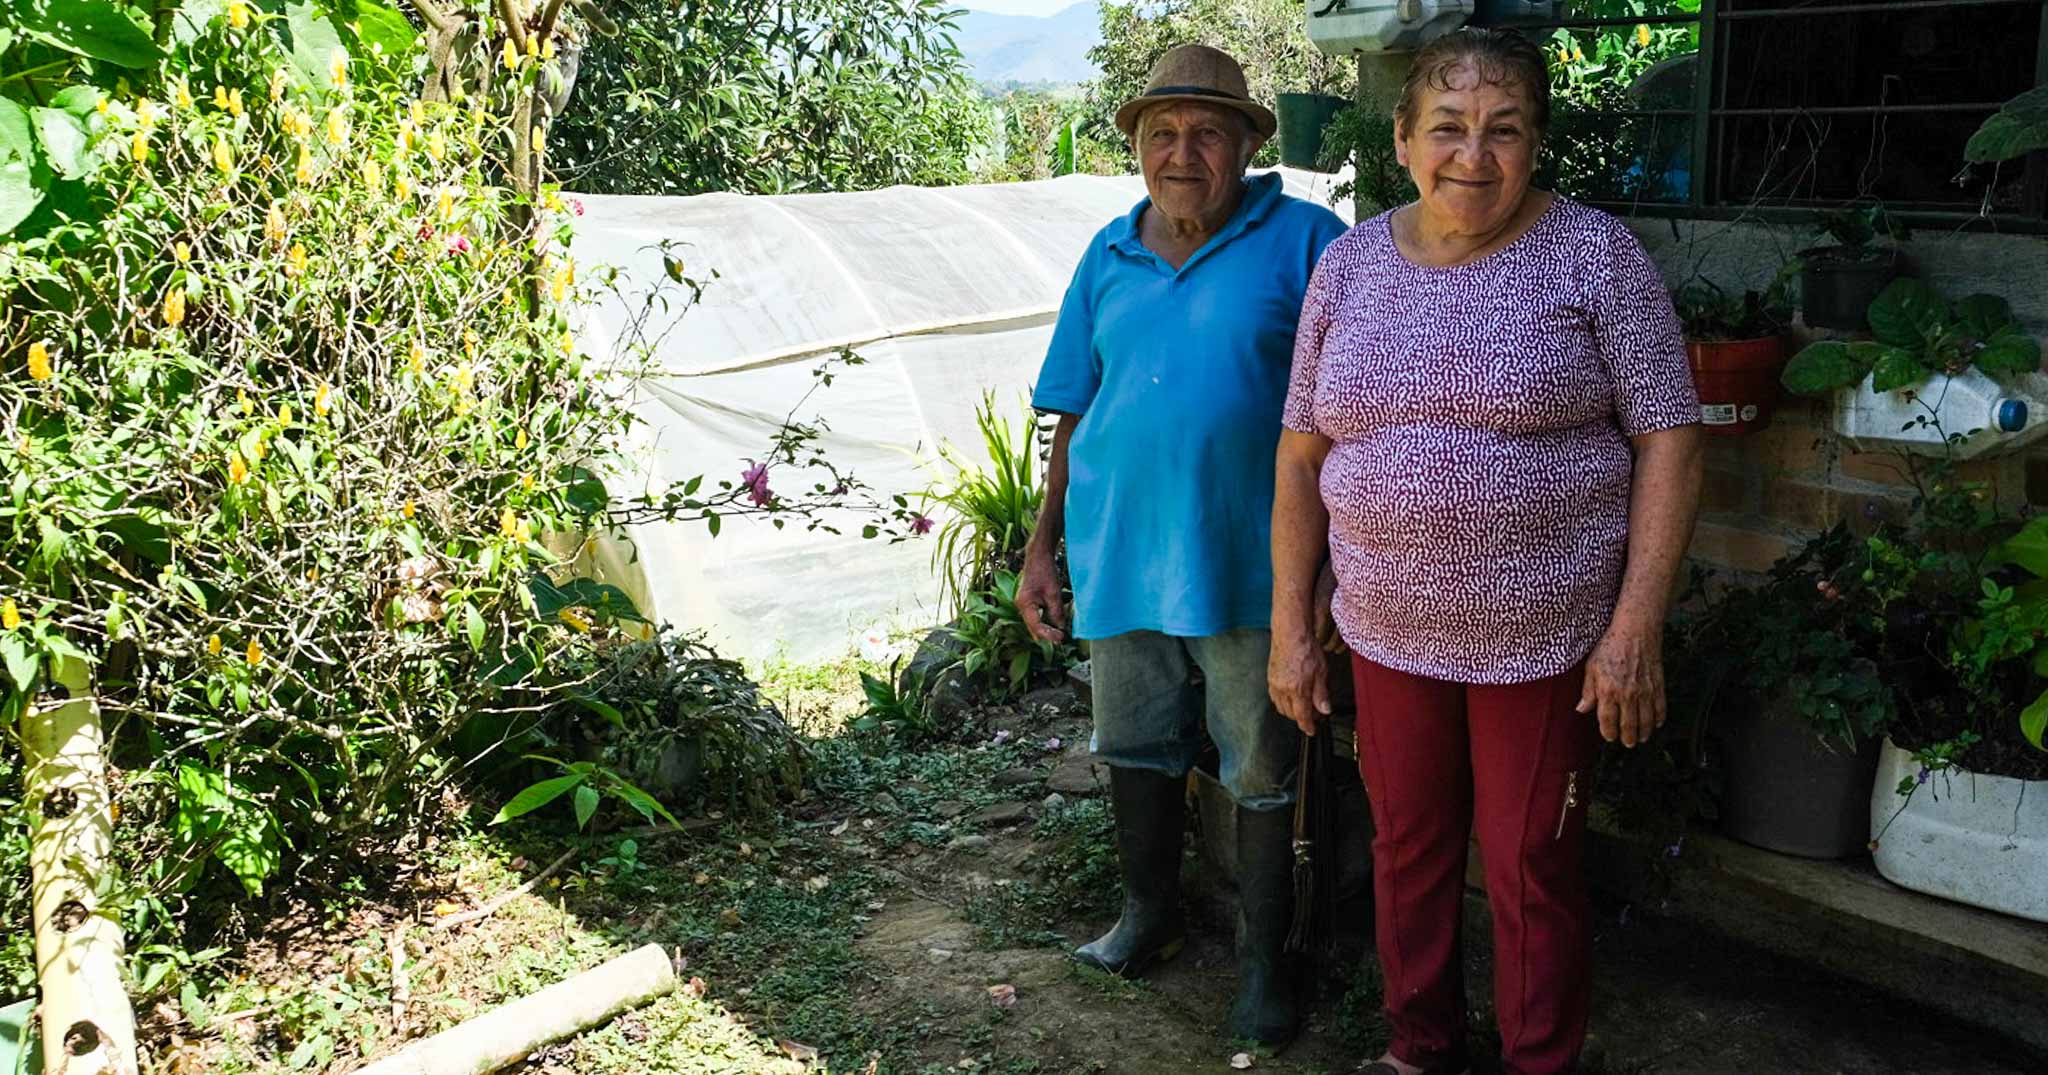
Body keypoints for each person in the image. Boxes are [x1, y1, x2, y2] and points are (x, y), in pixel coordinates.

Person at [1267, 28, 1704, 1075]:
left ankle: (1537, 1060)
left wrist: (1635, 628)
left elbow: (1671, 441)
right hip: (1385, 630)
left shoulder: (1594, 256)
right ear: (1403, 140)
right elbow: (1299, 454)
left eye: (1503, 129)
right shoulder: (1348, 265)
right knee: (1407, 847)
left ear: (1534, 144)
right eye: (1448, 127)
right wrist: (1290, 621)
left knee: (1528, 861)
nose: (1474, 154)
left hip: (1544, 638)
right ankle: (1417, 1045)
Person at [1015, 44, 1347, 1046]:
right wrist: (1041, 548)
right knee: (1132, 744)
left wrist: (1332, 568)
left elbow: (1360, 413)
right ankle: (1148, 915)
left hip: (1253, 562)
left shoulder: (1310, 243)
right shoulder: (1106, 254)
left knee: (1260, 766)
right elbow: (1072, 410)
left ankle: (1264, 963)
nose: (1182, 153)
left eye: (1207, 132)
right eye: (1161, 133)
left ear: (1247, 145)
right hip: (1120, 552)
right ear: (1136, 148)